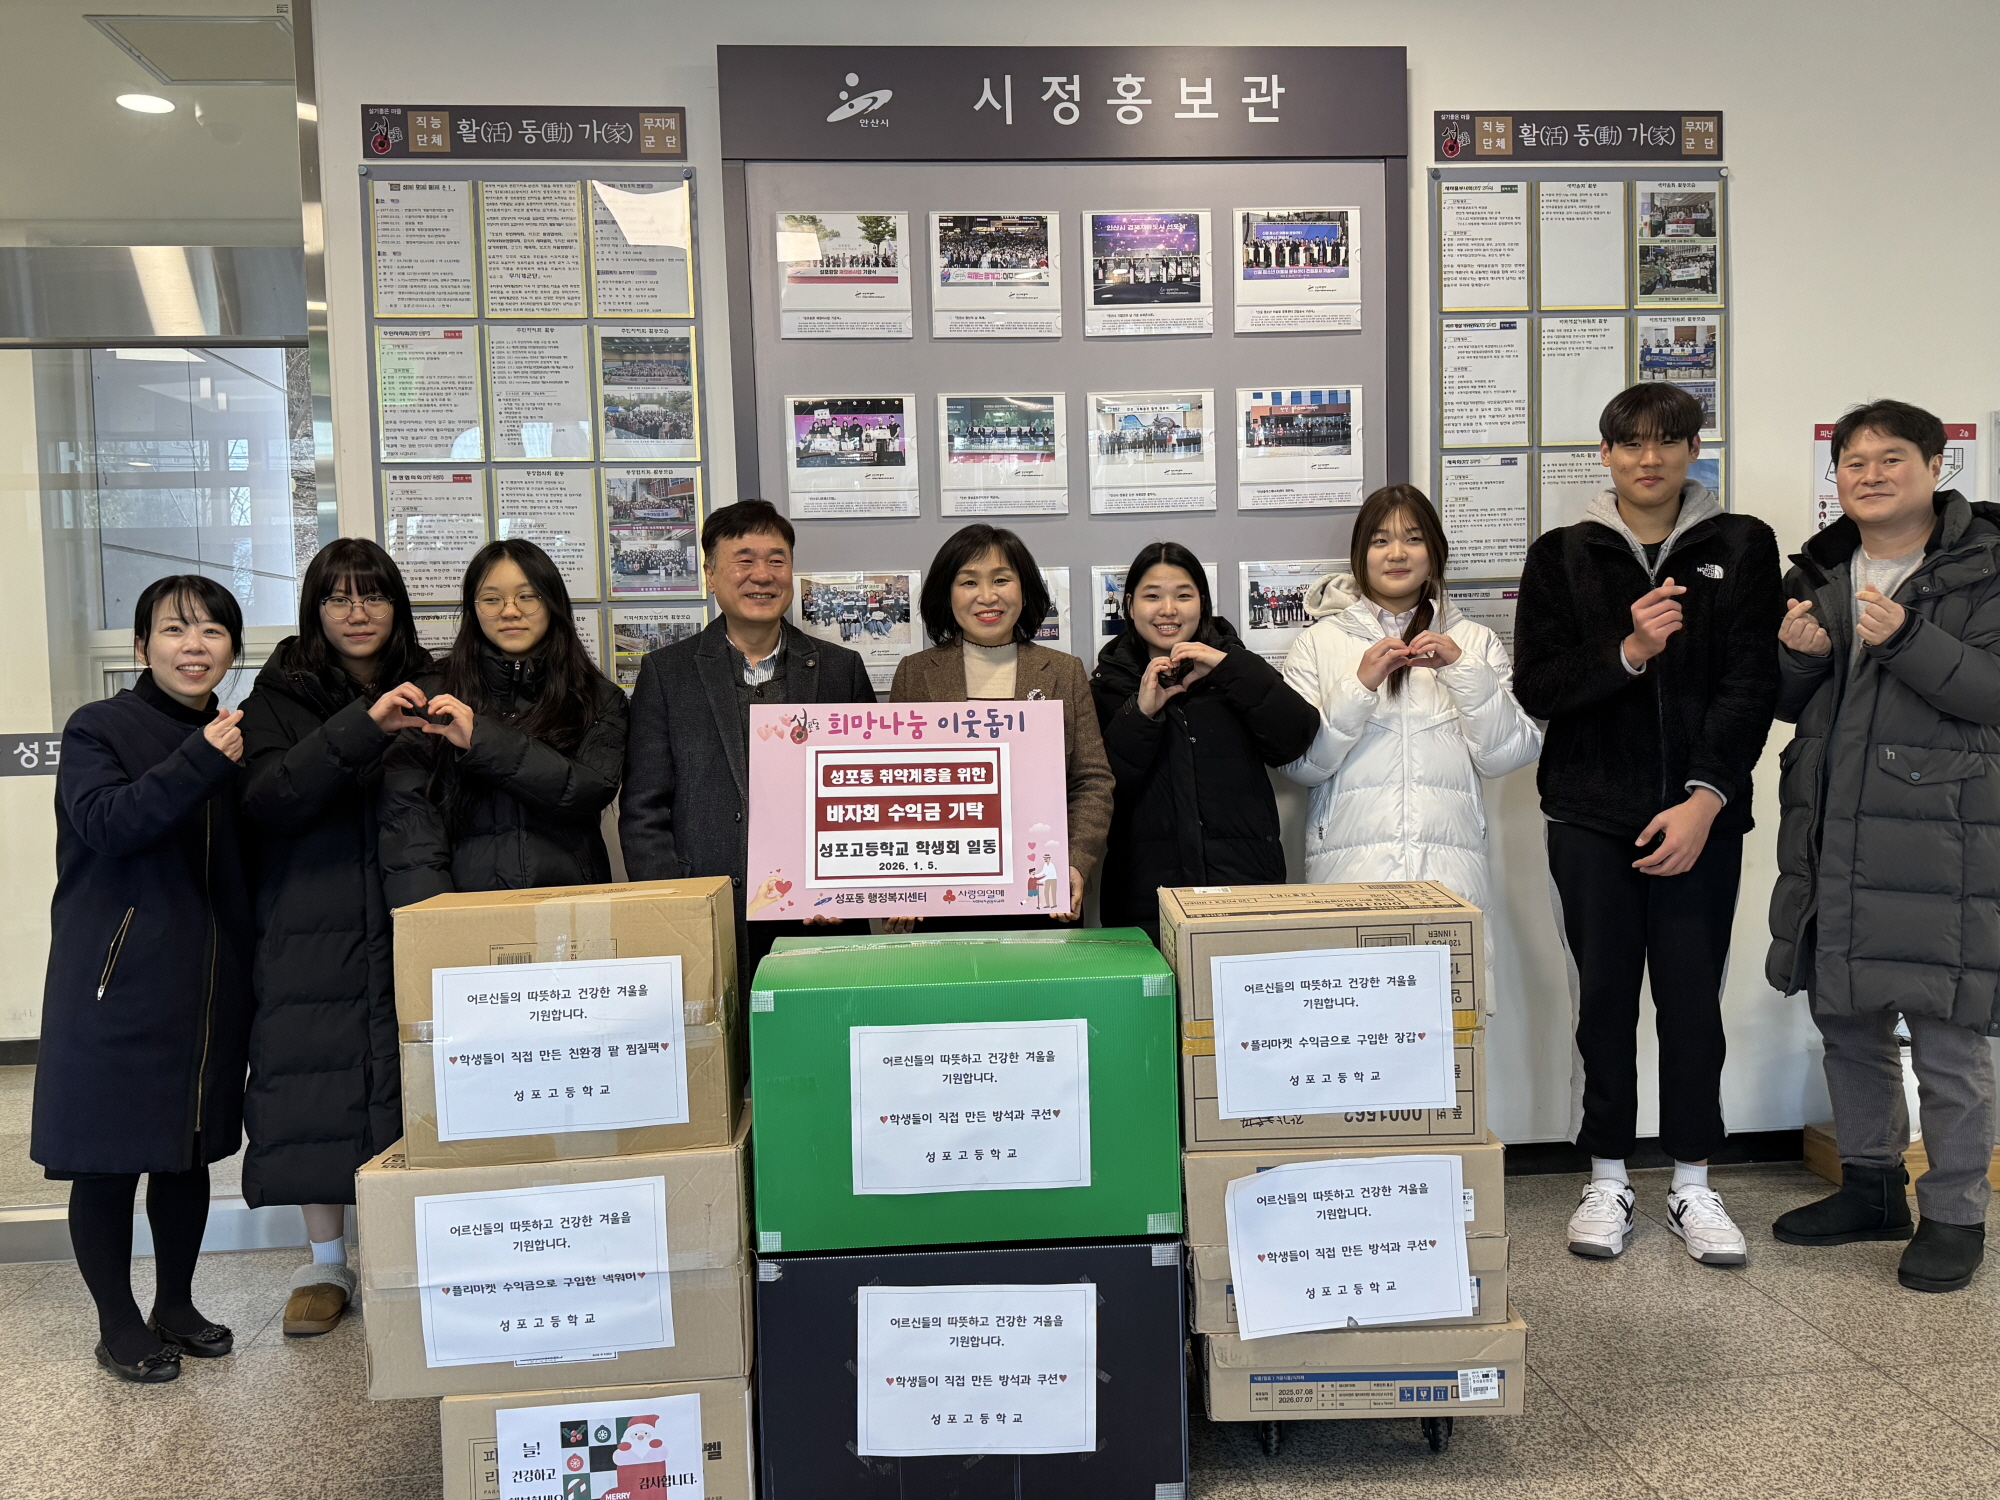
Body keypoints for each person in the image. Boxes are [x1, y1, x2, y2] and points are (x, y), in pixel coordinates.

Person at [1514, 383, 1782, 1267]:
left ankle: (1694, 1186)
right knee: (1604, 1005)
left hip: (1702, 819)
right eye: (1631, 443)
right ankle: (1607, 1176)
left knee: (1691, 1005)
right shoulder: (1563, 556)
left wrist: (1706, 797)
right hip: (1591, 815)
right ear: (1605, 454)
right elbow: (1540, 688)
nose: (1649, 458)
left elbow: (1753, 684)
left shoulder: (1741, 544)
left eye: (1668, 441)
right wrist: (1629, 651)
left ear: (1693, 449)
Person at [1767, 400, 2000, 1293]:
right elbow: (1802, 707)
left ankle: (1955, 1212)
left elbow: (1988, 692)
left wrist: (1907, 638)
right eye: (1852, 462)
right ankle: (1870, 1186)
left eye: (1889, 458)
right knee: (1847, 1018)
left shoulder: (1984, 568)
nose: (1868, 474)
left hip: (1942, 840)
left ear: (1938, 466)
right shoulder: (1821, 571)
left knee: (1948, 1037)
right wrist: (1795, 660)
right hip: (1835, 829)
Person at [31, 576, 254, 1382]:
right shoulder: (100, 727)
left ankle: (177, 1303)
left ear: (233, 649)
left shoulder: (236, 735)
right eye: (174, 630)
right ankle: (118, 1323)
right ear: (140, 647)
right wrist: (198, 761)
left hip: (205, 987)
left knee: (186, 1154)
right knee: (106, 1161)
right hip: (114, 984)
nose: (194, 646)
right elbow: (107, 825)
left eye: (213, 632)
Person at [238, 539, 434, 1337]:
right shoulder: (277, 695)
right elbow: (268, 798)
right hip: (309, 917)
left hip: (409, 910)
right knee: (311, 1081)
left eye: (374, 596)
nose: (357, 613)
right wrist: (362, 725)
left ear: (397, 607)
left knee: (414, 1080)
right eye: (338, 598)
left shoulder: (433, 681)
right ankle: (324, 1263)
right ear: (314, 610)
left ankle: (411, 1257)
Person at [620, 500, 874, 999]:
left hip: (820, 919)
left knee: (823, 1059)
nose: (762, 575)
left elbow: (864, 795)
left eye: (776, 560)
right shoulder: (667, 674)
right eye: (744, 560)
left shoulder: (840, 668)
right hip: (709, 913)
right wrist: (679, 908)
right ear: (711, 574)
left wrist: (847, 888)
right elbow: (643, 810)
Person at [1280, 484, 1540, 936]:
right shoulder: (1317, 644)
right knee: (1354, 1000)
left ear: (1434, 551)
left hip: (1451, 876)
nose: (1397, 553)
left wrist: (1462, 669)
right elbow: (1301, 765)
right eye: (1380, 541)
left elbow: (1508, 755)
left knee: (1451, 1004)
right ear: (1360, 553)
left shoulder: (1474, 642)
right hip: (1349, 874)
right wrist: (1359, 685)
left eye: (1413, 539)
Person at [379, 538, 627, 907]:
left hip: (571, 909)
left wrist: (482, 738)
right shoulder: (432, 693)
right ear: (473, 609)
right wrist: (431, 917)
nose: (510, 611)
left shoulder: (598, 697)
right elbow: (407, 819)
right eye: (492, 599)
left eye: (527, 596)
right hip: (463, 914)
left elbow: (587, 790)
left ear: (552, 602)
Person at [1090, 541, 1318, 940]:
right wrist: (1140, 713)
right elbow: (1102, 793)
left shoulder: (1236, 668)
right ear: (1128, 605)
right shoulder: (1107, 686)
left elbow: (1295, 739)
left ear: (1203, 602)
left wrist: (1229, 669)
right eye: (1152, 596)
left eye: (1183, 595)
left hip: (1245, 892)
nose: (1168, 610)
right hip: (1145, 901)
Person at [890, 524, 1114, 926]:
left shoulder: (1063, 671)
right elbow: (896, 785)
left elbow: (1092, 780)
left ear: (1023, 589)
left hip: (1042, 892)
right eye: (969, 581)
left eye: (1001, 580)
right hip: (941, 896)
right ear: (947, 592)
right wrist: (903, 880)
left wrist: (1075, 864)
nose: (987, 596)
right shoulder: (914, 673)